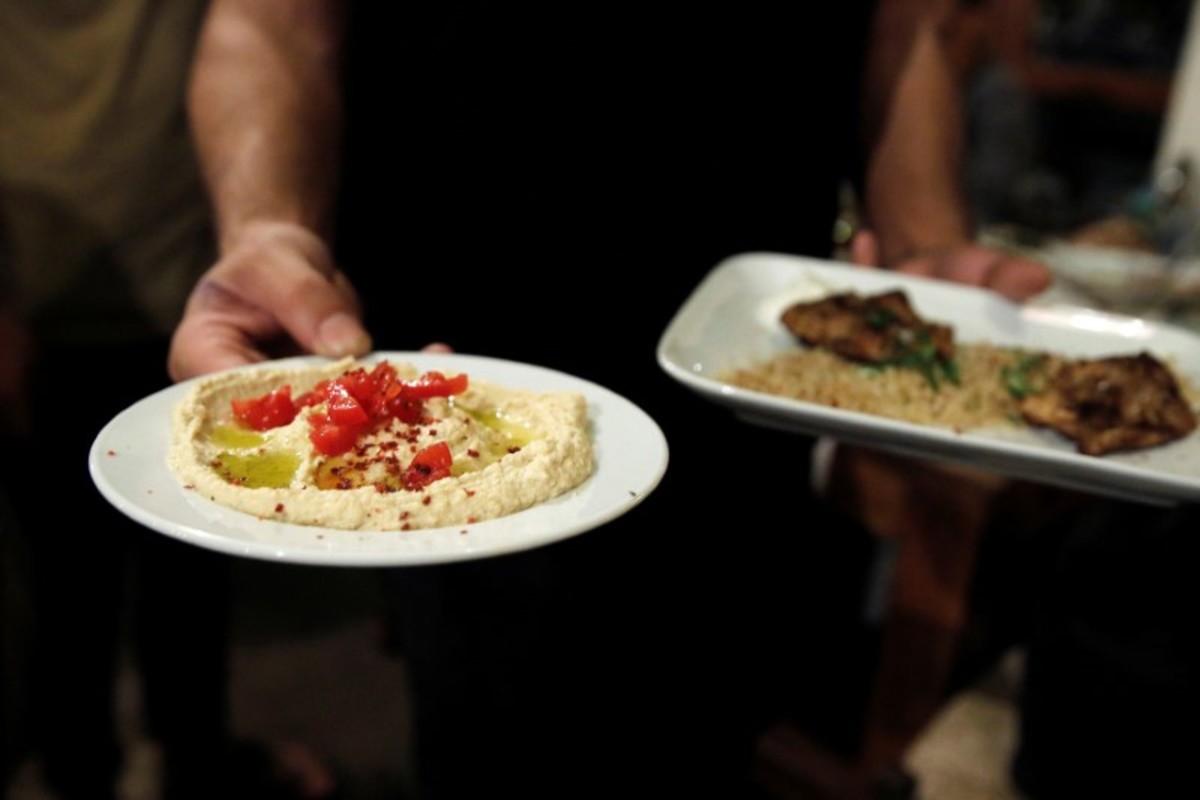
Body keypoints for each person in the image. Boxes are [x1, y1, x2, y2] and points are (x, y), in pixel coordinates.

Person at [168, 1, 1050, 798]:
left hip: (744, 365)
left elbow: (905, 25)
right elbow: (273, 21)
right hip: (469, 368)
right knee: (502, 731)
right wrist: (269, 229)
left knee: (716, 709)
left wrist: (923, 250)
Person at [0, 4, 333, 798]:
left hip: (194, 290)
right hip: (38, 312)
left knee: (192, 573)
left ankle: (196, 758)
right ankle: (77, 768)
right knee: (65, 579)